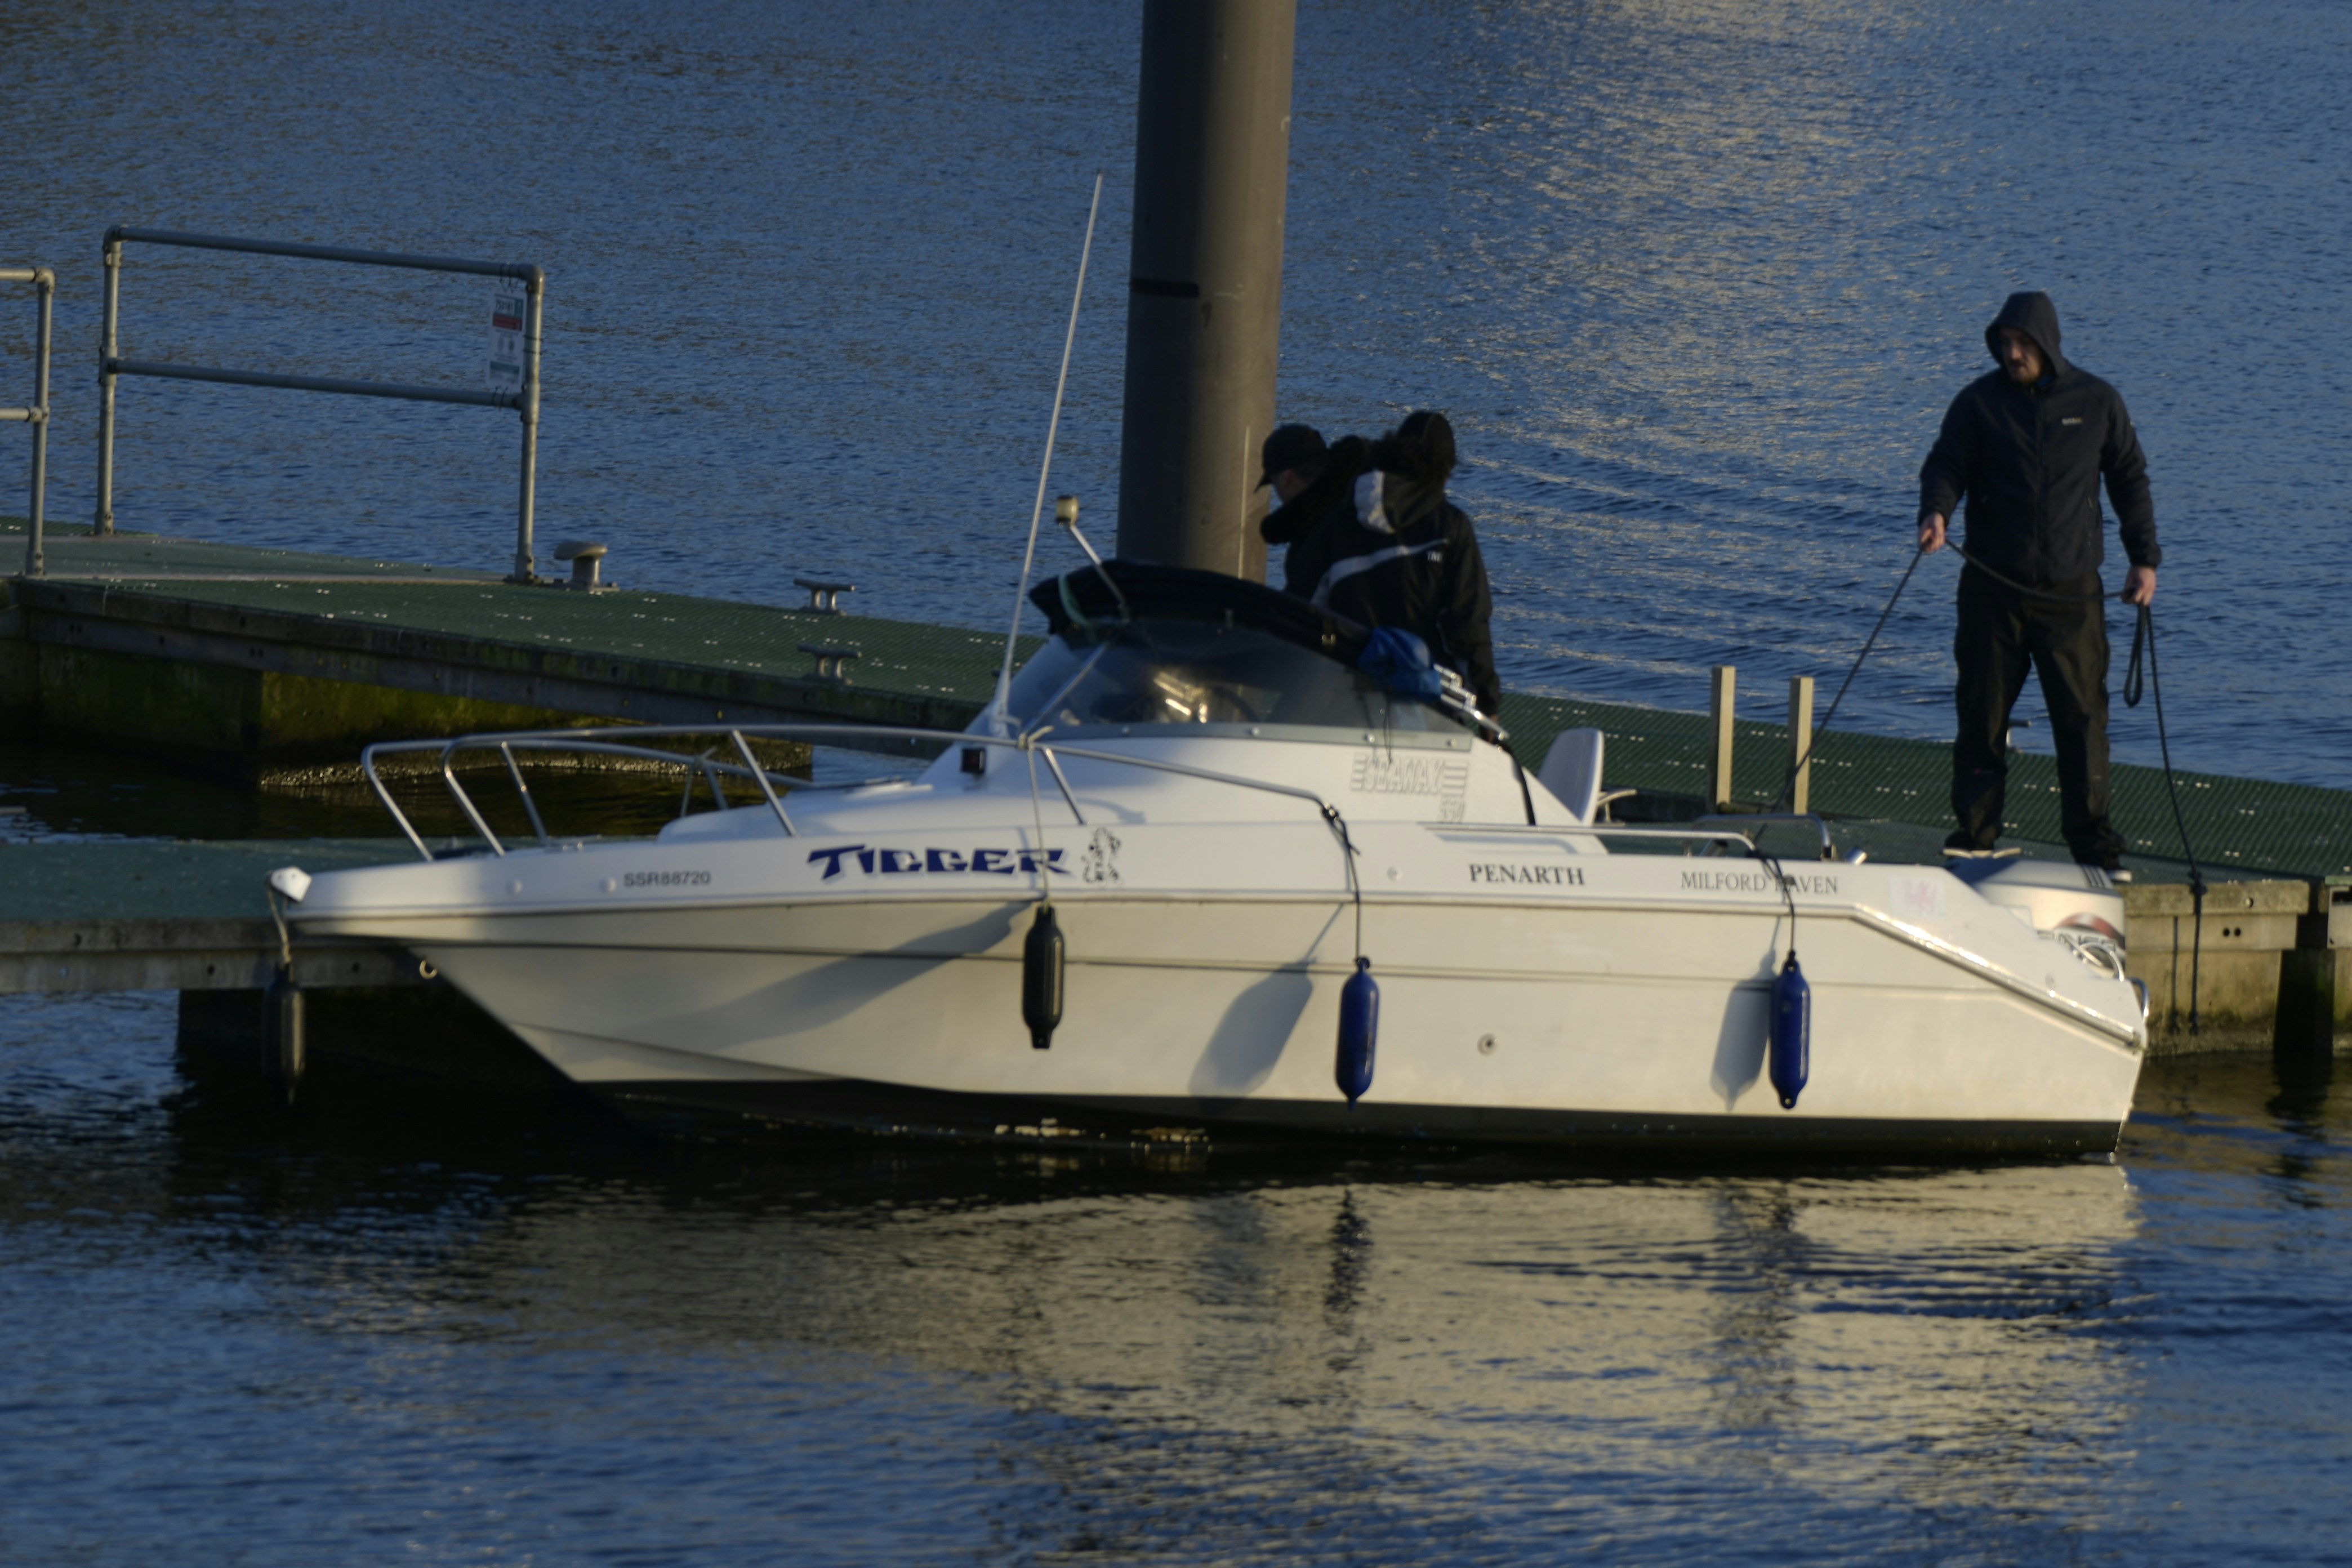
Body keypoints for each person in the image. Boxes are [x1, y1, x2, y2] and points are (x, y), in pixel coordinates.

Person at [1917, 291, 2158, 870]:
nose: (2013, 352)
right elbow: (1945, 464)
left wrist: (2143, 559)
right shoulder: (1979, 404)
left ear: (2047, 343)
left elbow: (2129, 477)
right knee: (1982, 717)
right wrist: (1937, 510)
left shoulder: (2097, 401)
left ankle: (2093, 844)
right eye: (2005, 343)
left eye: (2023, 343)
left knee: (2082, 722)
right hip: (1992, 591)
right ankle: (1975, 839)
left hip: (2072, 595)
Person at [1258, 410, 1500, 717]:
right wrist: (1487, 703)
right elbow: (1467, 624)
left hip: (1341, 701)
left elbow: (1301, 614)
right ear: (1445, 470)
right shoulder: (1449, 526)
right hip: (1426, 709)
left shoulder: (1338, 522)